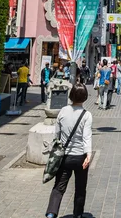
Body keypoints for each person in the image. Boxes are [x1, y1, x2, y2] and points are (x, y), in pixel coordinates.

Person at [46, 84, 92, 218]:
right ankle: (77, 214)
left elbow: (57, 134)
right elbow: (87, 137)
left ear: (71, 95)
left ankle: (51, 213)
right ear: (84, 97)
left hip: (64, 156)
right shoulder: (86, 115)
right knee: (80, 188)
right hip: (80, 157)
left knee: (59, 187)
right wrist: (88, 155)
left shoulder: (63, 111)